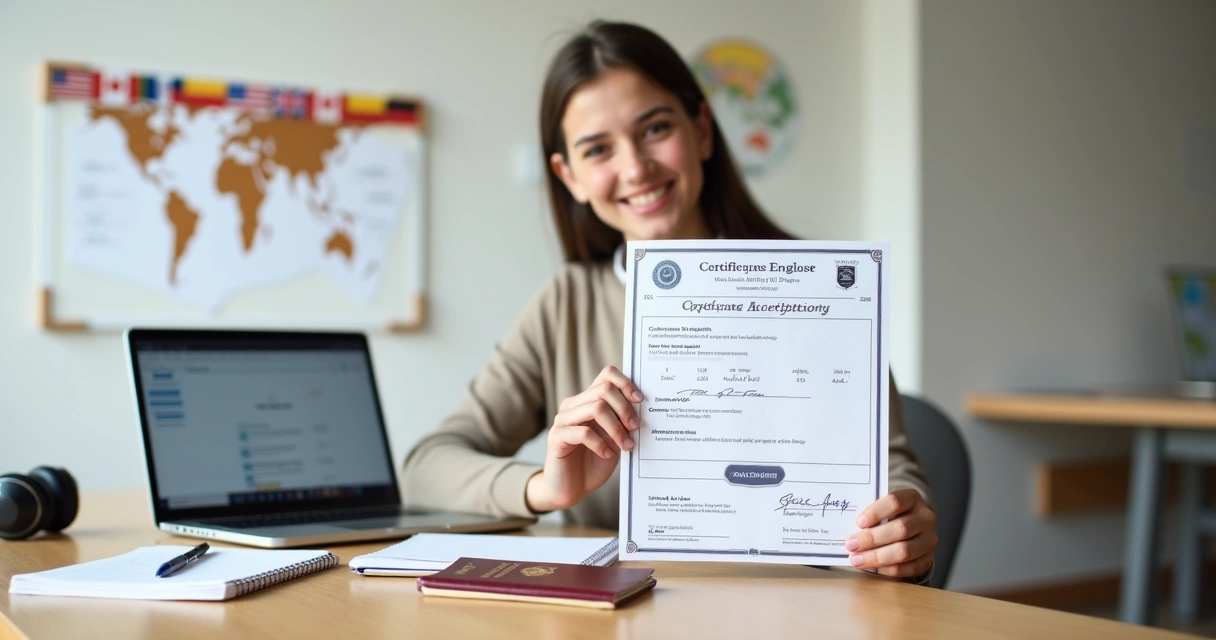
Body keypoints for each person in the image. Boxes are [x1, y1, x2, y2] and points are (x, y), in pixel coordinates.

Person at [402, 20, 937, 582]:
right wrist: (544, 486)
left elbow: (890, 463)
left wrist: (903, 523)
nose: (635, 168)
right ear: (570, 176)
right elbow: (426, 466)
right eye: (598, 149)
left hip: (789, 606)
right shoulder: (567, 301)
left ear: (702, 130)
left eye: (655, 128)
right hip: (616, 614)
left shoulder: (816, 283)